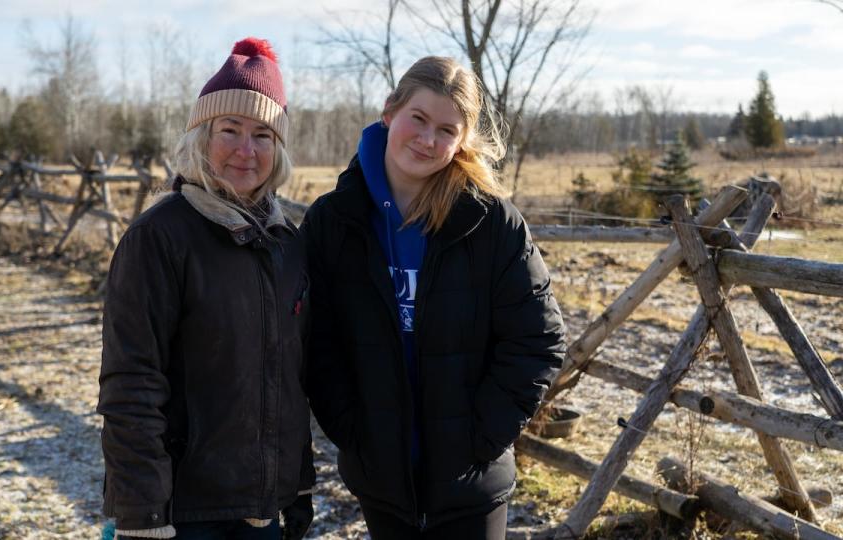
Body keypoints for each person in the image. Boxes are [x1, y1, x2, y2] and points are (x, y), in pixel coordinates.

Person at [301, 56, 566, 539]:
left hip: (471, 485)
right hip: (381, 479)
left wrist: (479, 440)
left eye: (447, 129)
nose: (427, 139)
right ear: (389, 112)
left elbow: (538, 339)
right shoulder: (333, 221)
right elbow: (317, 342)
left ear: (462, 140)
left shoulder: (492, 224)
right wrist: (355, 433)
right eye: (418, 119)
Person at [98, 38, 314, 540]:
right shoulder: (159, 238)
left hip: (261, 513)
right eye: (230, 130)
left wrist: (298, 484)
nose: (246, 149)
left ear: (278, 149)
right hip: (181, 513)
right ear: (201, 136)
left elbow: (290, 378)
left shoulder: (287, 244)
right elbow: (131, 384)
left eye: (263, 134)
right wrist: (141, 516)